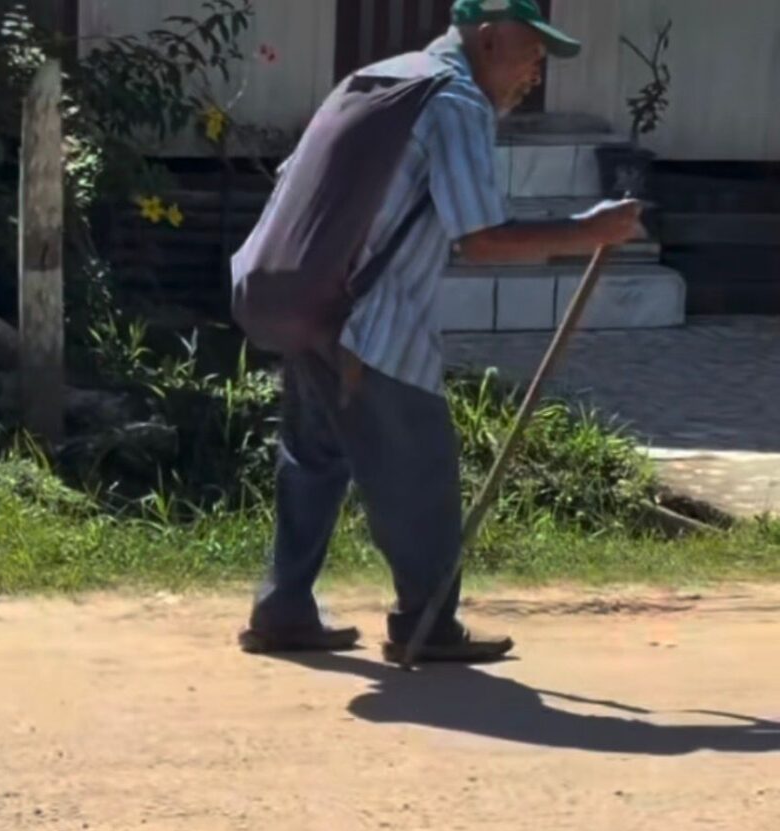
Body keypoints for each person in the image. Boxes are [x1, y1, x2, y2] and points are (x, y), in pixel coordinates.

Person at [240, 0, 645, 663]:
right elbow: (481, 240)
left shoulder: (379, 78)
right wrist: (586, 233)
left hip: (312, 300)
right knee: (419, 468)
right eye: (529, 54)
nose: (532, 76)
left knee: (312, 459)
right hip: (377, 324)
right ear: (487, 41)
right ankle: (427, 626)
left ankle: (284, 605)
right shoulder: (456, 102)